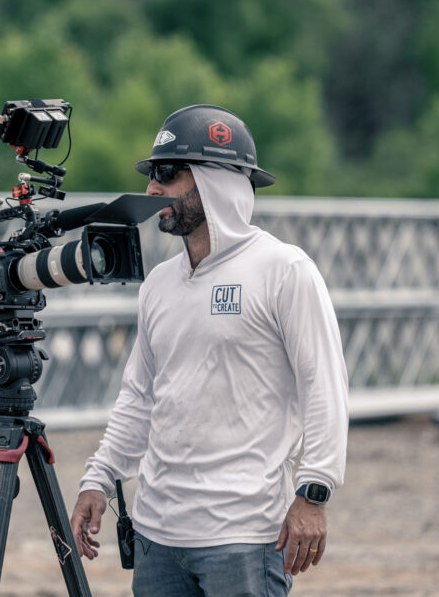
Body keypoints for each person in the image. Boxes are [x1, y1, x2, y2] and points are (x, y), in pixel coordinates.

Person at [69, 104, 349, 597]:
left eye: (167, 174)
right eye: (152, 175)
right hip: (157, 535)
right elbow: (139, 397)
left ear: (215, 182)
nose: (151, 190)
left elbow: (324, 388)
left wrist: (314, 491)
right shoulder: (159, 284)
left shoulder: (284, 270)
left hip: (244, 536)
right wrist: (100, 477)